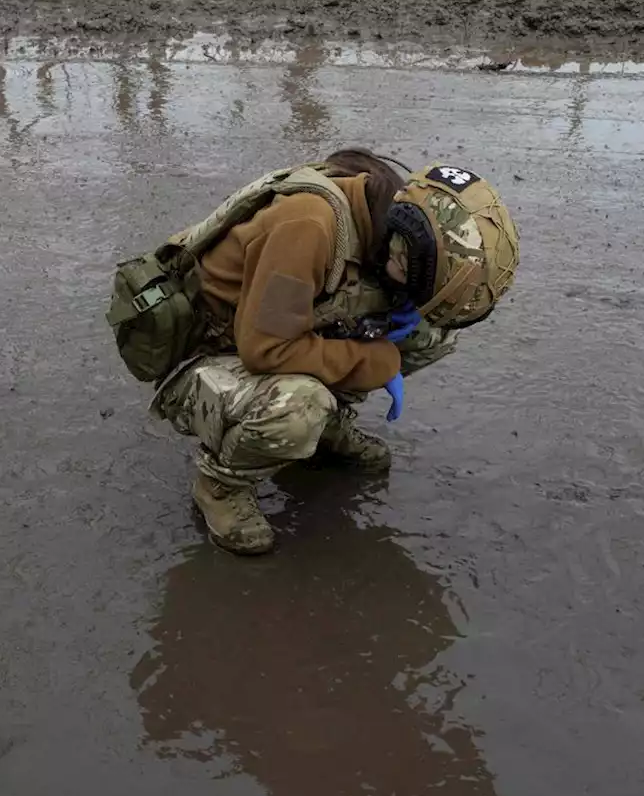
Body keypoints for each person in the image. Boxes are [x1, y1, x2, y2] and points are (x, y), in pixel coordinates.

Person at [135, 149, 519, 556]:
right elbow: (266, 349)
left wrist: (394, 313)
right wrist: (375, 360)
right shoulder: (309, 224)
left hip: (275, 328)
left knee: (429, 335)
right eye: (413, 282)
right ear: (407, 251)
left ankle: (328, 426)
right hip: (208, 351)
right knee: (299, 408)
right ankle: (221, 486)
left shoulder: (387, 212)